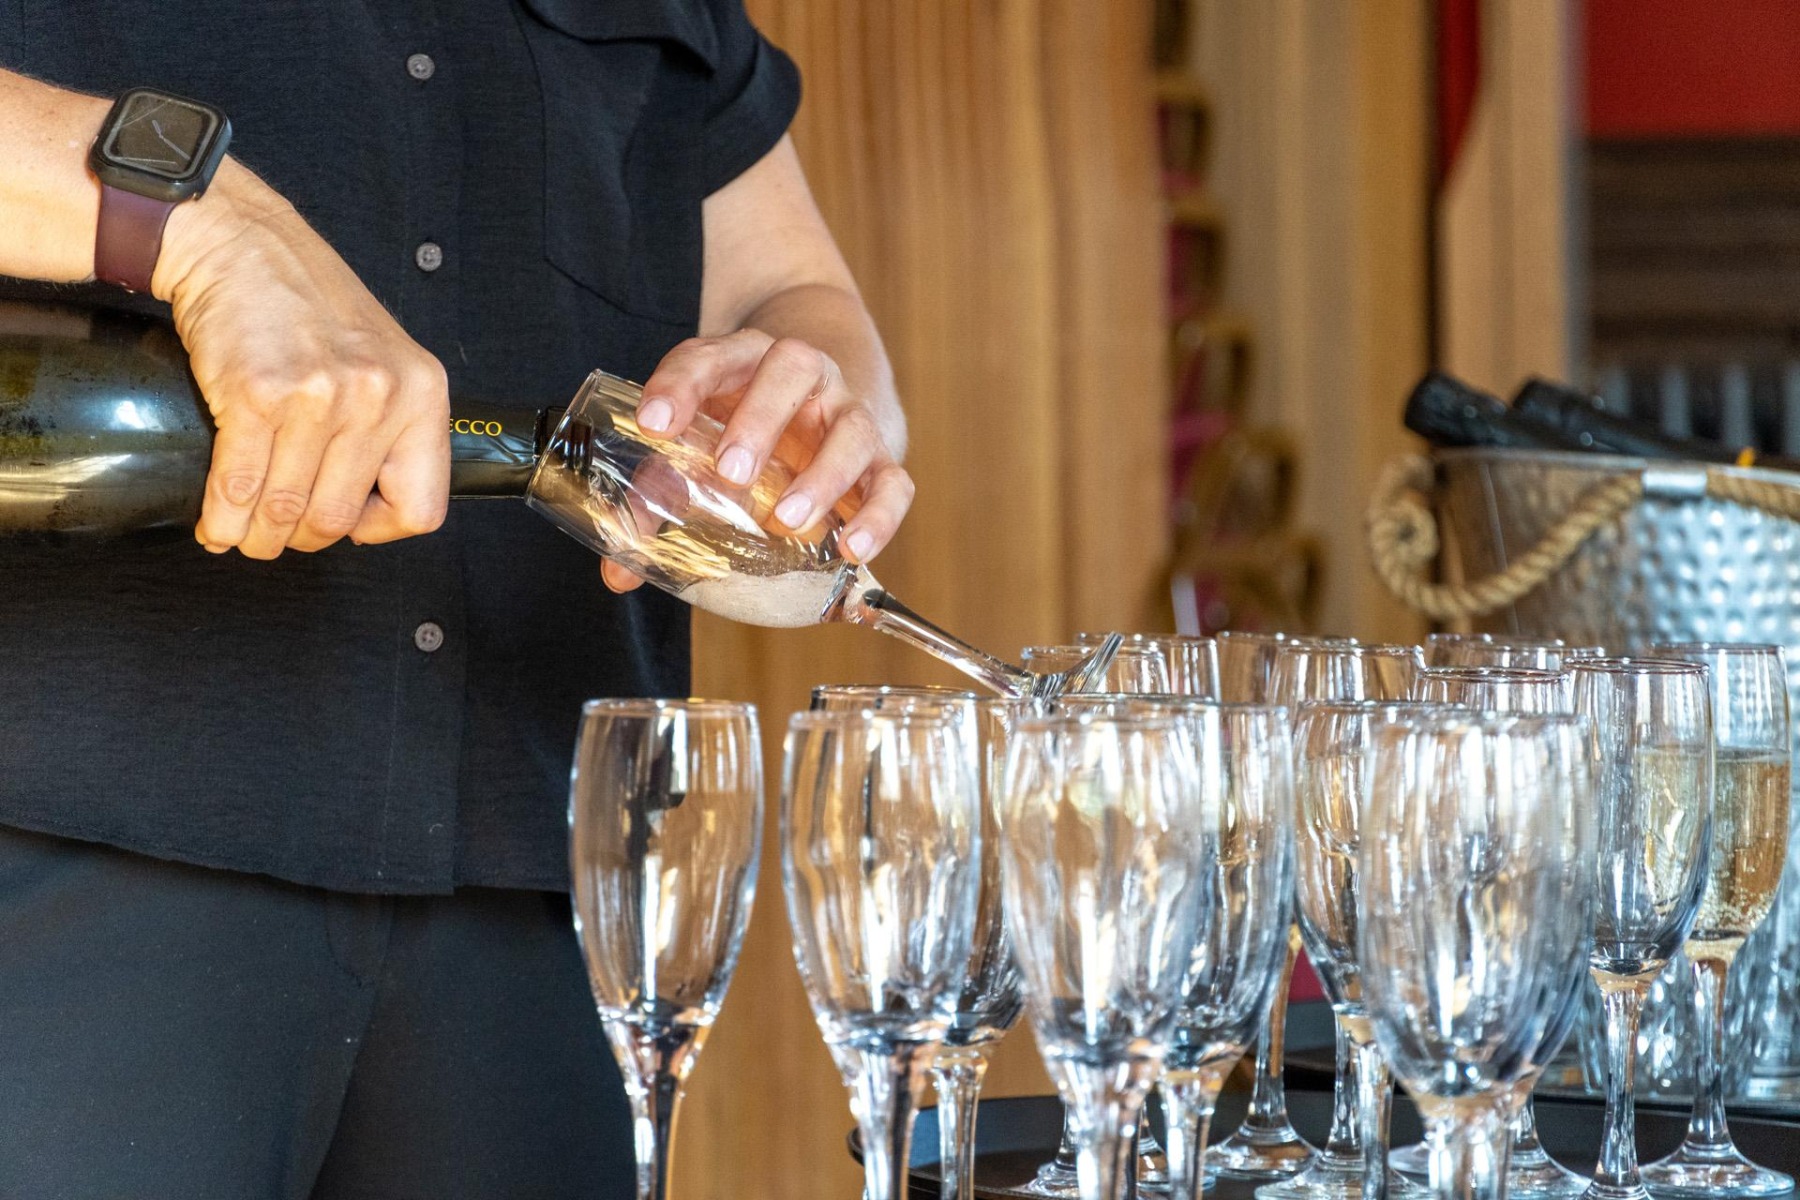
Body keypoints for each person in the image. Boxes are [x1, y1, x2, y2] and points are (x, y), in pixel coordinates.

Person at [0, 3, 909, 1196]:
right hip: (68, 850)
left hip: (539, 886)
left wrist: (812, 391)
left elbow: (790, 287)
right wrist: (196, 216)